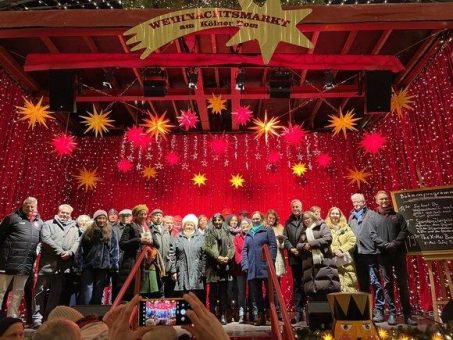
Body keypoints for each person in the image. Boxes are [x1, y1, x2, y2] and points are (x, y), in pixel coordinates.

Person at [371, 190, 417, 326]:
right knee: (388, 284)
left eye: (386, 199)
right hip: (383, 256)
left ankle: (408, 315)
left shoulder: (398, 216)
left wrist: (395, 244)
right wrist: (385, 245)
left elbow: (404, 231)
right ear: (376, 201)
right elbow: (372, 235)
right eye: (381, 199)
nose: (384, 201)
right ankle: (392, 313)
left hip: (398, 254)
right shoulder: (373, 218)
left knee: (403, 284)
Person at [33, 204, 80, 327]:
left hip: (63, 267)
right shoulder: (48, 224)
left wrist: (70, 252)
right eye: (62, 212)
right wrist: (60, 252)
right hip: (47, 265)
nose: (65, 215)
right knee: (40, 292)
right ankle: (37, 318)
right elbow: (46, 239)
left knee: (55, 294)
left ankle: (49, 319)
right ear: (58, 212)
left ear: (70, 215)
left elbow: (77, 241)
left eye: (67, 213)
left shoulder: (74, 227)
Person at [0, 197, 43, 319]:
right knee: (1, 291)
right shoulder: (12, 218)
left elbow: (40, 242)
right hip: (7, 263)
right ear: (22, 206)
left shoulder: (40, 223)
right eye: (27, 206)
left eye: (32, 206)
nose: (30, 209)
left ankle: (12, 316)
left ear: (36, 207)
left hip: (26, 264)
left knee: (18, 292)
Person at [348, 193, 385, 323]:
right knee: (363, 285)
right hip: (357, 255)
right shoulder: (351, 217)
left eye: (359, 201)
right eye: (354, 202)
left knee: (375, 282)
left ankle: (379, 309)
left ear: (364, 202)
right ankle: (366, 310)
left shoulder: (372, 215)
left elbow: (379, 233)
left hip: (370, 254)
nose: (356, 204)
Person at [74, 209, 119, 305]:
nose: (101, 220)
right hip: (88, 266)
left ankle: (95, 313)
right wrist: (78, 266)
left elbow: (114, 250)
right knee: (87, 290)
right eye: (99, 218)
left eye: (103, 218)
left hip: (103, 267)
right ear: (95, 219)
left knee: (99, 291)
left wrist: (114, 265)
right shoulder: (89, 231)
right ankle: (85, 312)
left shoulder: (111, 232)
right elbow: (81, 249)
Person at [242, 211, 277, 326]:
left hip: (265, 266)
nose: (255, 220)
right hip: (252, 267)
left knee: (270, 292)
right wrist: (245, 265)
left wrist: (270, 261)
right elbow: (245, 250)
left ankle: (270, 313)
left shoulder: (267, 230)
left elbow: (273, 245)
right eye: (254, 219)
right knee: (256, 293)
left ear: (261, 219)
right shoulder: (248, 233)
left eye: (257, 218)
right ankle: (261, 315)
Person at [118, 205, 160, 301]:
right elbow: (122, 244)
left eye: (145, 214)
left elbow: (157, 244)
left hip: (147, 263)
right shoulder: (130, 226)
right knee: (132, 291)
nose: (144, 216)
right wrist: (139, 240)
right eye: (141, 214)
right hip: (133, 262)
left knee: (146, 292)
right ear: (135, 215)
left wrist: (151, 241)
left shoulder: (149, 227)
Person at [297, 211, 340, 300]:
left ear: (313, 218)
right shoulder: (304, 231)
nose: (306, 220)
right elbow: (298, 245)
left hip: (324, 262)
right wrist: (305, 246)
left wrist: (312, 244)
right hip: (310, 264)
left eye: (308, 218)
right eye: (304, 219)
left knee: (326, 287)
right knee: (314, 291)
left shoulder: (322, 226)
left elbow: (328, 239)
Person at [203, 213, 234, 325]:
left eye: (219, 220)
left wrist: (227, 257)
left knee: (223, 293)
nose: (217, 222)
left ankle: (223, 315)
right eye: (215, 220)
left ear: (222, 221)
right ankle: (212, 315)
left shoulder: (227, 233)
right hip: (213, 266)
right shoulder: (209, 233)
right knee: (213, 293)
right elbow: (206, 247)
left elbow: (231, 247)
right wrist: (217, 257)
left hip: (224, 266)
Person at [169, 214, 206, 302]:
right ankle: (183, 314)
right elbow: (172, 254)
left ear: (195, 226)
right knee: (183, 295)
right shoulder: (177, 237)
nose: (189, 226)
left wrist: (203, 270)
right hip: (181, 269)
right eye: (187, 224)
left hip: (196, 269)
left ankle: (194, 314)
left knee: (194, 295)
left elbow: (204, 255)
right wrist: (173, 271)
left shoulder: (200, 238)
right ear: (184, 225)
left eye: (191, 224)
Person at [283, 199, 306, 323]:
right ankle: (298, 312)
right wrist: (291, 248)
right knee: (297, 284)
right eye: (293, 207)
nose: (296, 208)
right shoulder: (288, 222)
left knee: (306, 283)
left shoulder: (306, 219)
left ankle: (307, 309)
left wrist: (300, 247)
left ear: (301, 207)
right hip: (294, 257)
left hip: (306, 256)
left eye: (297, 206)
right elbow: (285, 238)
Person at [325, 207, 358, 293]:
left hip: (346, 260)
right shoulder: (325, 228)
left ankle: (352, 304)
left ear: (340, 216)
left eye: (337, 214)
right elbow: (325, 242)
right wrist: (334, 251)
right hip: (333, 260)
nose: (335, 215)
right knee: (337, 283)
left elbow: (352, 240)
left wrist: (341, 250)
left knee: (350, 281)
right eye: (333, 213)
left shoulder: (346, 227)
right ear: (329, 215)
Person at [233, 218, 253, 323]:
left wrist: (249, 265)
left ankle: (254, 314)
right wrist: (243, 264)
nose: (244, 226)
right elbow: (237, 252)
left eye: (246, 224)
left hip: (252, 268)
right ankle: (242, 314)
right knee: (241, 292)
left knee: (253, 291)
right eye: (243, 224)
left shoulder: (252, 236)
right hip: (240, 268)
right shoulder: (237, 237)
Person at [111, 209, 132, 302]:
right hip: (118, 261)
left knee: (129, 286)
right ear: (119, 217)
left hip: (130, 262)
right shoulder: (114, 228)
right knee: (116, 285)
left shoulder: (134, 228)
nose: (126, 218)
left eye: (128, 216)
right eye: (123, 216)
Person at [150, 209, 171, 298]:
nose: (158, 217)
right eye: (156, 215)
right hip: (154, 262)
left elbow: (170, 246)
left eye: (160, 215)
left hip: (165, 262)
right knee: (155, 286)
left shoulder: (166, 230)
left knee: (163, 285)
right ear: (151, 217)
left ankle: (162, 304)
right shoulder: (149, 228)